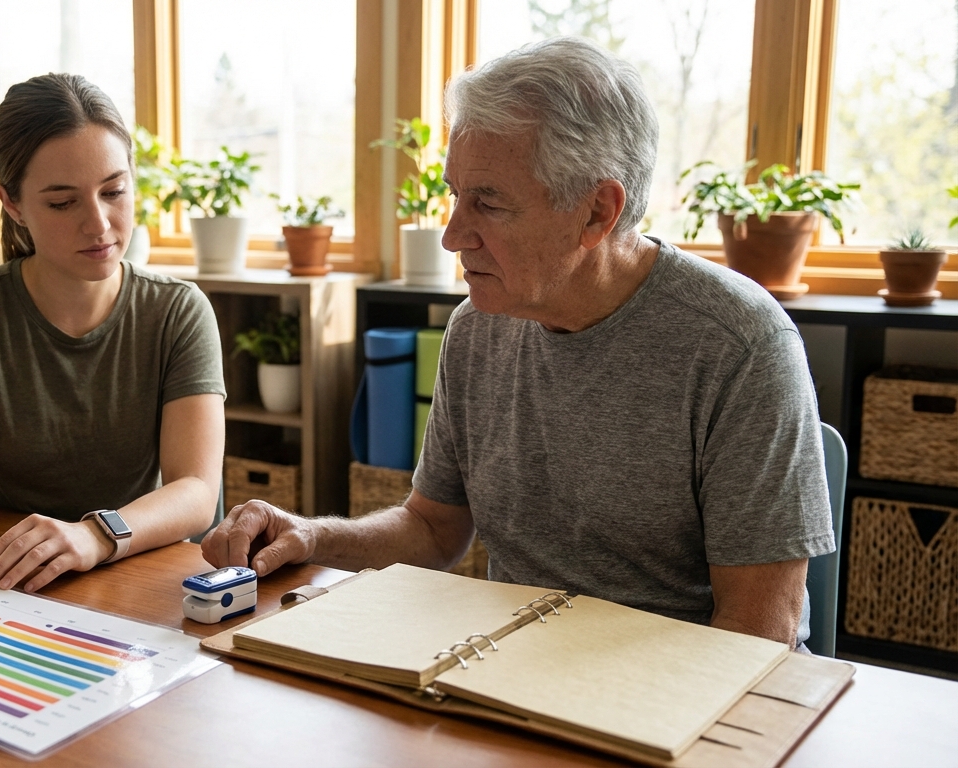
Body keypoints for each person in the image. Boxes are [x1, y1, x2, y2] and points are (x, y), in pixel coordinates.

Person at [202, 37, 835, 648]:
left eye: (489, 203)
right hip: (516, 670)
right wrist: (313, 537)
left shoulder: (740, 344)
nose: (452, 236)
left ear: (597, 212)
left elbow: (758, 634)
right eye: (455, 194)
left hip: (677, 700)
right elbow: (432, 528)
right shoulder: (479, 327)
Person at [0, 73, 225, 594]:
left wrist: (95, 536)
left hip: (132, 568)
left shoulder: (178, 311)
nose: (99, 225)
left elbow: (196, 490)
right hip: (5, 573)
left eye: (114, 191)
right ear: (13, 205)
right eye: (62, 202)